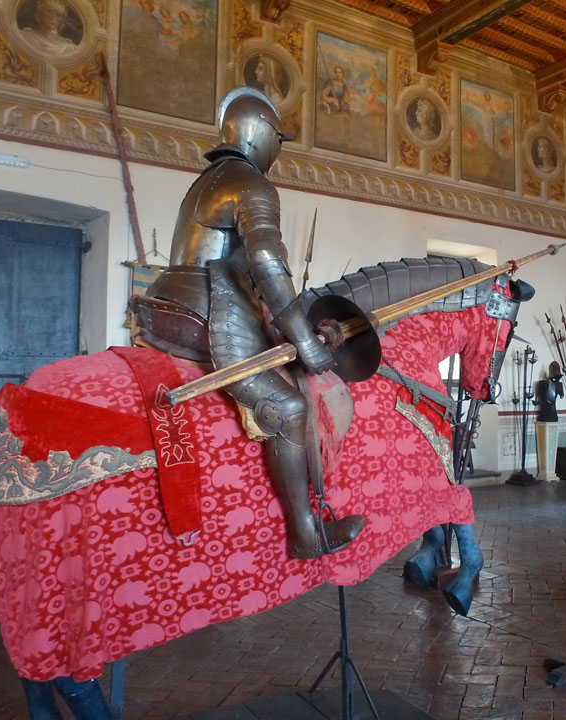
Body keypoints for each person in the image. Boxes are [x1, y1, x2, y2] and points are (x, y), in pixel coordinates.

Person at [130, 88, 365, 559]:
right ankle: (305, 534)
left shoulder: (207, 180)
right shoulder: (253, 184)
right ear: (262, 135)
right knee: (291, 409)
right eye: (278, 137)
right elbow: (266, 265)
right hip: (213, 306)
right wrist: (307, 344)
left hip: (168, 301)